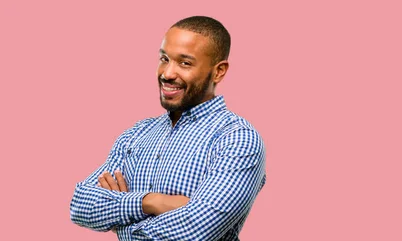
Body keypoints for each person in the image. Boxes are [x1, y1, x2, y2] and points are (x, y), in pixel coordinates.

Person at [70, 16, 267, 241]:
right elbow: (80, 205)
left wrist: (123, 225)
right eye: (164, 58)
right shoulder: (138, 134)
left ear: (218, 71)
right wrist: (152, 202)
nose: (167, 74)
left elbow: (198, 230)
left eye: (185, 63)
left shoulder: (237, 139)